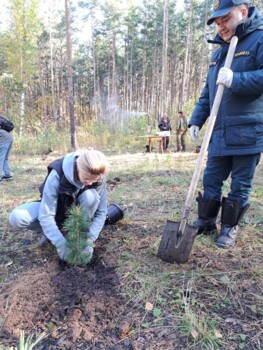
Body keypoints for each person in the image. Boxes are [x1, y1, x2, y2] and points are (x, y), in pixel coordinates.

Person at [188, 0, 263, 248]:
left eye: (226, 20)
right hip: (218, 132)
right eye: (218, 22)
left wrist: (236, 79)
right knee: (211, 178)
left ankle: (229, 227)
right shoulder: (219, 50)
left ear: (243, 12)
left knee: (240, 183)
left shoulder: (259, 39)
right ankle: (207, 220)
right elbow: (208, 93)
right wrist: (196, 120)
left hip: (246, 131)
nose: (221, 27)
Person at [9, 149, 108, 262]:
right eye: (86, 179)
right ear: (78, 168)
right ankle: (52, 232)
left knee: (91, 197)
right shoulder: (57, 174)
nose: (90, 183)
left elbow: (101, 212)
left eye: (94, 180)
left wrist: (90, 239)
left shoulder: (99, 176)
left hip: (79, 215)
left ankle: (79, 233)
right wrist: (61, 244)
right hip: (56, 210)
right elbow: (46, 215)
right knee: (17, 217)